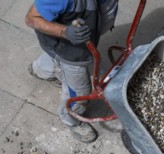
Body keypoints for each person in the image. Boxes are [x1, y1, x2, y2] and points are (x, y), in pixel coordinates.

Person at [25, 0, 118, 143]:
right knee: (80, 92)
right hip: (69, 48)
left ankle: (40, 69)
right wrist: (65, 32)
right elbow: (32, 19)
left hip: (87, 27)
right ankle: (71, 119)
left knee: (55, 60)